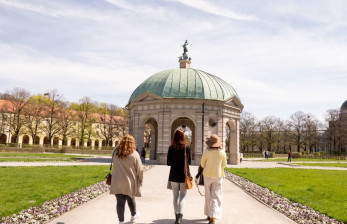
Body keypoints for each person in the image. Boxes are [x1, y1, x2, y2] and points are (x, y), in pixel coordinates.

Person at [110, 134, 143, 224]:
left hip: (117, 181)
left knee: (120, 201)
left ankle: (121, 221)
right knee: (131, 198)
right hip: (129, 181)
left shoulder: (115, 151)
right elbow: (140, 169)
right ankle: (133, 215)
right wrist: (140, 180)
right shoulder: (134, 154)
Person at [200, 134, 227, 224]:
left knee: (208, 196)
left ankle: (208, 214)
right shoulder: (222, 152)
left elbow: (202, 164)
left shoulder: (206, 152)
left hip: (207, 175)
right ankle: (213, 216)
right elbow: (224, 164)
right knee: (216, 196)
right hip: (218, 176)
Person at [167, 130, 191, 224]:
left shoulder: (171, 147)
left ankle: (176, 217)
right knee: (182, 196)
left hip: (173, 174)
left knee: (175, 196)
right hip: (184, 175)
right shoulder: (187, 147)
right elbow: (188, 162)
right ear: (183, 137)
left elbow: (168, 163)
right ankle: (180, 216)